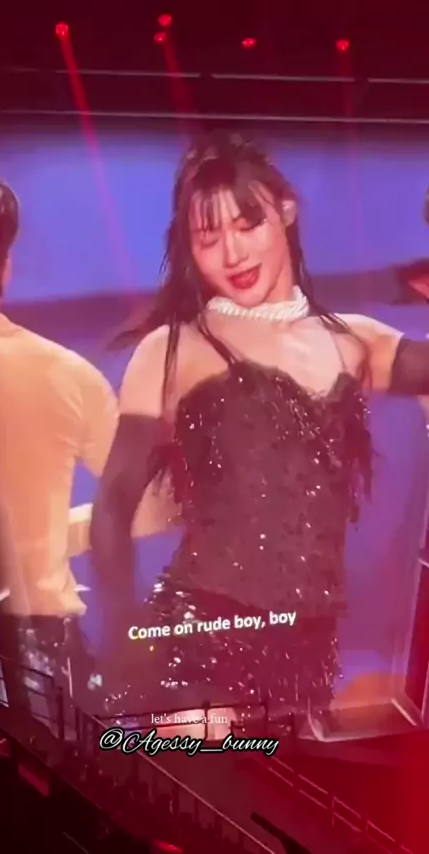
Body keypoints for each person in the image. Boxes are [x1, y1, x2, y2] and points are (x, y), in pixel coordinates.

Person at [90, 132, 429, 737]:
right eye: (208, 238)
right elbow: (113, 507)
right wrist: (123, 641)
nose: (232, 253)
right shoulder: (172, 350)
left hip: (307, 659)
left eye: (248, 224)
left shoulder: (354, 341)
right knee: (214, 793)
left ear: (286, 211)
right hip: (203, 643)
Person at [0, 167, 136, 710]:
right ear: (3, 265)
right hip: (38, 662)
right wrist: (48, 532)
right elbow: (145, 505)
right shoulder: (64, 373)